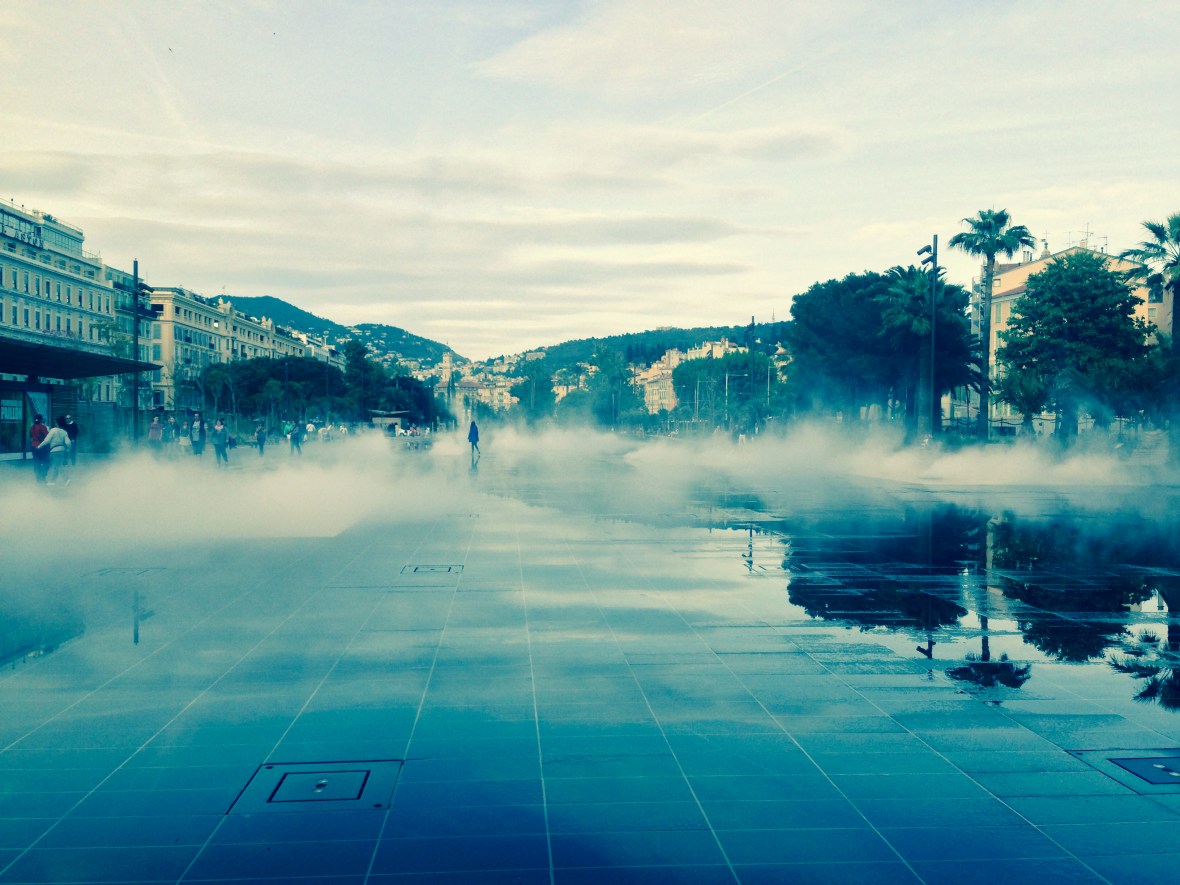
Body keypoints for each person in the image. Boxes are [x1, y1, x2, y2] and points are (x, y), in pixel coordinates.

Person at [38, 416, 72, 485]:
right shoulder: (64, 432)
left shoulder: (53, 430)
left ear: (56, 423)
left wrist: (39, 446)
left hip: (54, 450)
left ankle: (66, 479)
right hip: (62, 450)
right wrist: (68, 449)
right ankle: (53, 481)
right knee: (57, 465)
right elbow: (68, 443)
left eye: (55, 422)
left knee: (57, 466)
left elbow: (46, 440)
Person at [29, 414, 49, 484]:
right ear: (41, 420)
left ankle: (38, 478)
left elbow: (31, 437)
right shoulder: (42, 427)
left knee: (36, 462)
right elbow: (47, 437)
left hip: (33, 447)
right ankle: (42, 477)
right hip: (41, 447)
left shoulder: (32, 428)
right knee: (46, 462)